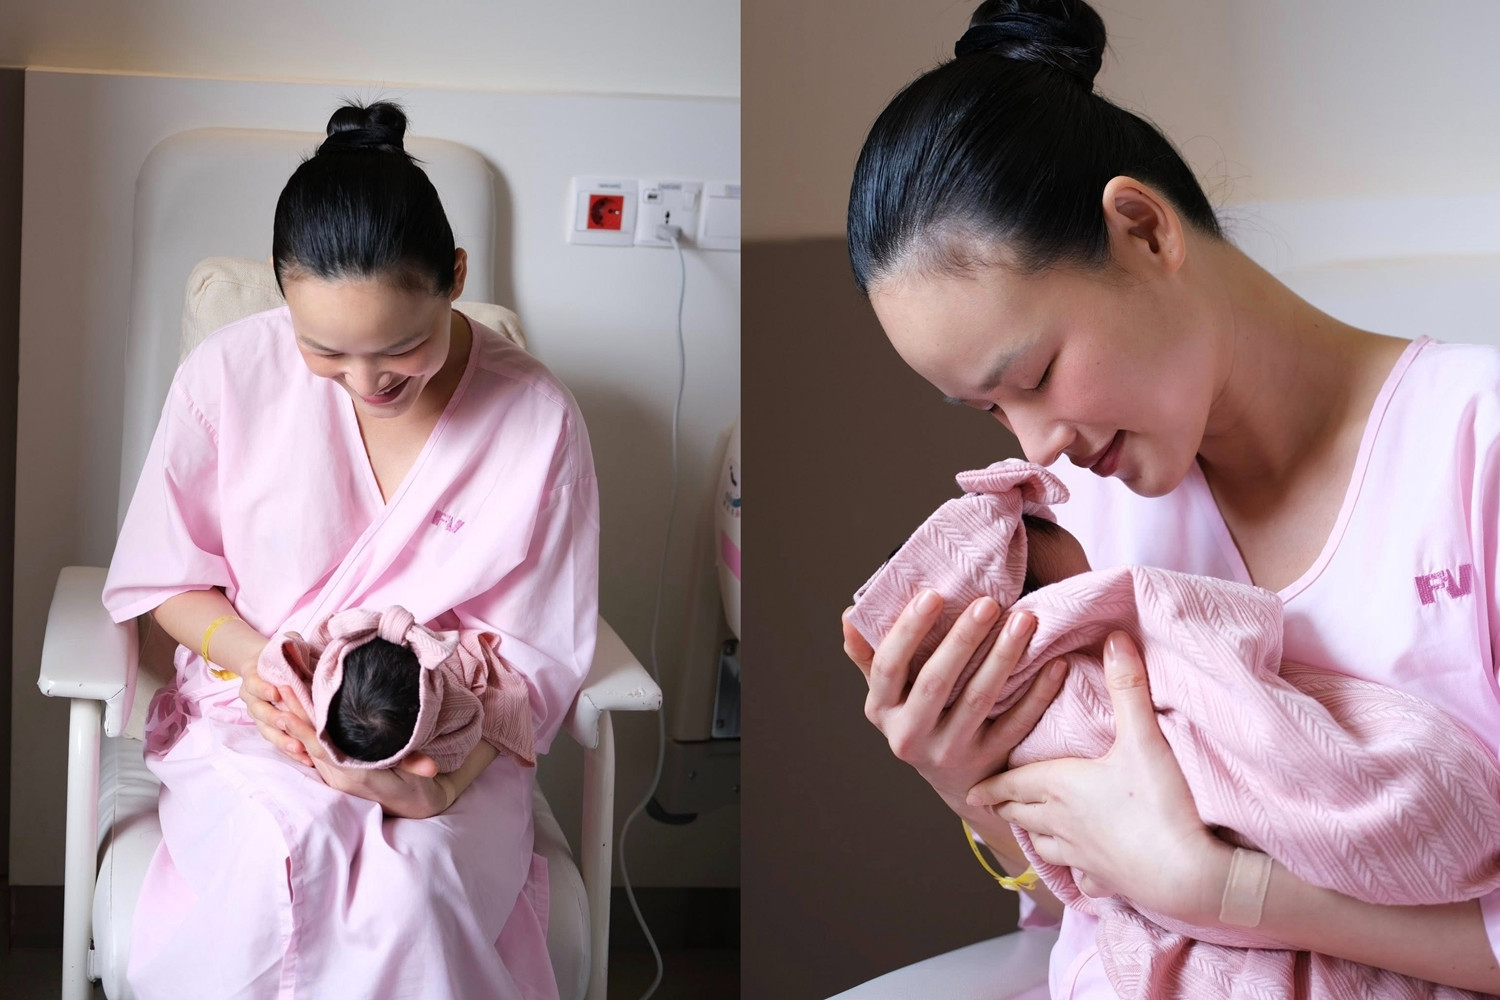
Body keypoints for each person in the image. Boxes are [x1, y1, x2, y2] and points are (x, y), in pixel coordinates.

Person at [839, 1, 1500, 996]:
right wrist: (965, 780)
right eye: (992, 409)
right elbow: (1087, 908)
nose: (1037, 444)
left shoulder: (1474, 451)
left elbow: (1175, 891)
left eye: (1038, 373)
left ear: (1144, 231)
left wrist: (1230, 890)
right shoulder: (1075, 525)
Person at [103, 100, 598, 1000]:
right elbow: (167, 581)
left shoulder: (537, 420)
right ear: (282, 292)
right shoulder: (226, 376)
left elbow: (535, 657)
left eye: (402, 349)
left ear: (454, 277)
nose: (368, 383)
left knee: (414, 891)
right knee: (283, 862)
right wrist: (258, 661)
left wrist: (442, 788)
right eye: (324, 351)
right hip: (261, 721)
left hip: (449, 738)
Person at [257, 603, 537, 773]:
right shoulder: (450, 710)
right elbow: (461, 740)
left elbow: (290, 648)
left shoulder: (307, 685)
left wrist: (292, 639)